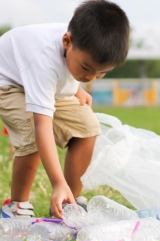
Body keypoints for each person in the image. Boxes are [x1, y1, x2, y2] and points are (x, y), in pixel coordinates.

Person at [0, 0, 130, 219]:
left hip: (38, 82)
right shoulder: (43, 60)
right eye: (87, 69)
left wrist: (77, 89)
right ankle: (16, 206)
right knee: (32, 135)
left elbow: (67, 68)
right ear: (66, 41)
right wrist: (56, 181)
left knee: (87, 126)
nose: (91, 77)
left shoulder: (80, 45)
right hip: (9, 83)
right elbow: (43, 126)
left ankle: (68, 202)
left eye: (101, 73)